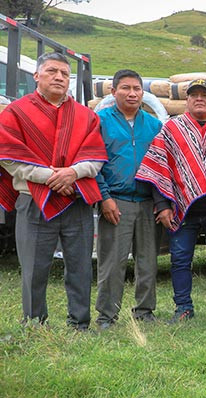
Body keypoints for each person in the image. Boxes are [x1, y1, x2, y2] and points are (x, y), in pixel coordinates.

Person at [0, 52, 107, 330]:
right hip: (33, 200)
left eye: (64, 72)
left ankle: (80, 323)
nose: (59, 77)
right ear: (36, 75)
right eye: (51, 71)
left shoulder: (86, 116)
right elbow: (8, 157)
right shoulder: (16, 112)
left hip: (76, 200)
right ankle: (35, 323)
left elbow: (95, 157)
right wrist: (50, 176)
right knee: (34, 268)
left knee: (81, 265)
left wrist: (73, 173)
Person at [135, 79, 206, 325]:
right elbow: (158, 167)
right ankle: (183, 307)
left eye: (205, 95)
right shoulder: (171, 129)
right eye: (194, 95)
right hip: (181, 208)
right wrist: (163, 205)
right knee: (180, 259)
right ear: (187, 101)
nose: (199, 98)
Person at [94, 69, 163, 329]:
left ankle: (144, 311)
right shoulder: (100, 121)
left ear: (142, 92)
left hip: (147, 202)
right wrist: (104, 198)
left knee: (148, 262)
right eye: (125, 88)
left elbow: (160, 165)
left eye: (136, 88)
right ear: (114, 92)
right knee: (112, 263)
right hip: (116, 201)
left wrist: (161, 202)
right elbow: (95, 163)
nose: (132, 93)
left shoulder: (153, 124)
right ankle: (106, 316)